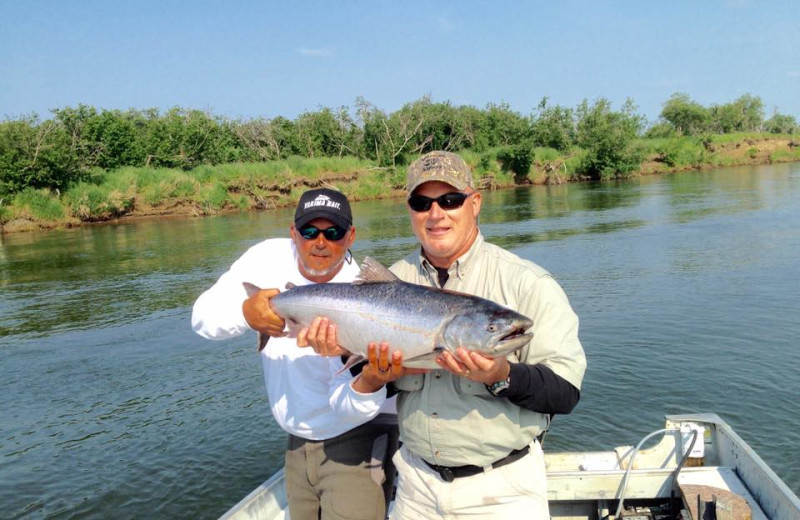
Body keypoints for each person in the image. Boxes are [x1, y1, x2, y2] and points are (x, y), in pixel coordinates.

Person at [305, 151, 587, 519]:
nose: (436, 214)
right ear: (410, 210)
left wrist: (501, 376)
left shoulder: (528, 283)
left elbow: (565, 393)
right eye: (422, 203)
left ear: (475, 203)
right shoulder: (389, 280)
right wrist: (353, 360)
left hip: (504, 491)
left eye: (450, 200)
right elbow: (369, 377)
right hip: (415, 486)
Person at [191, 187, 397, 520]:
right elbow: (201, 318)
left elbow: (355, 403)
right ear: (292, 232)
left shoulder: (359, 294)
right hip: (294, 442)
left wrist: (345, 356)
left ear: (351, 236)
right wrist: (246, 313)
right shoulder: (264, 259)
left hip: (356, 437)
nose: (320, 241)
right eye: (309, 231)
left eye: (333, 233)